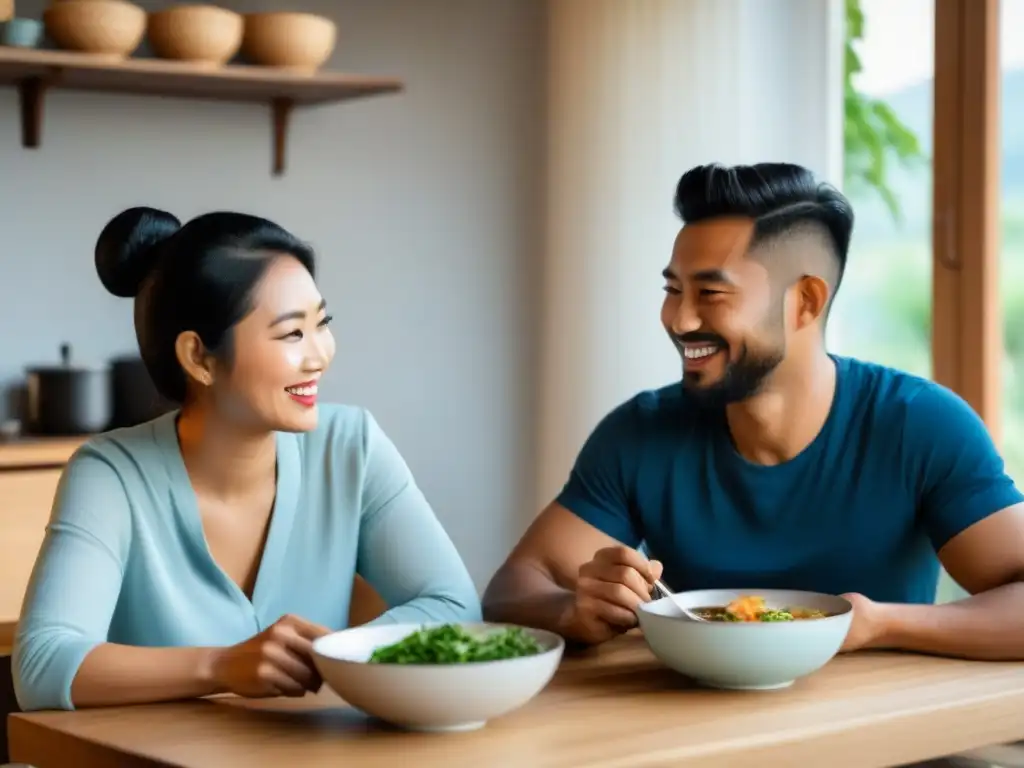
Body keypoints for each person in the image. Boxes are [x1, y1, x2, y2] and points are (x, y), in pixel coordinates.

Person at [482, 162, 1024, 660]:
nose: (681, 320)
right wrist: (572, 610)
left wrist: (883, 624)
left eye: (711, 294)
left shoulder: (919, 425)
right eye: (674, 290)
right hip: (697, 734)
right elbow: (514, 587)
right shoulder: (639, 433)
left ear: (805, 302)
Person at [13, 207, 481, 712]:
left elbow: (455, 605)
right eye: (291, 334)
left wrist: (332, 654)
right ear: (198, 358)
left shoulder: (352, 446)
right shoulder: (110, 476)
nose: (320, 354)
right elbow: (44, 664)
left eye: (321, 324)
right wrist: (221, 666)